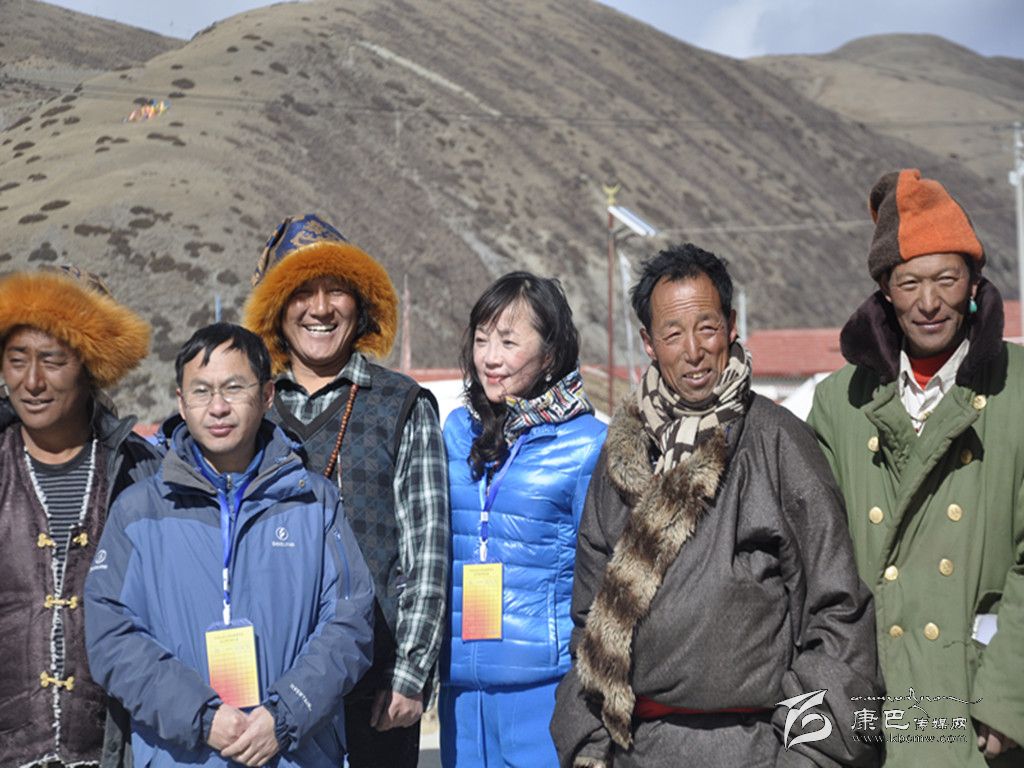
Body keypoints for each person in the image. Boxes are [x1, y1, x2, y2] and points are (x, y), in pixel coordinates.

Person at [551, 244, 883, 767]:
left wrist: (808, 757)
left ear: (731, 326)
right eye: (673, 334)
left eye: (706, 328)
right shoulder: (622, 456)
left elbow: (837, 609)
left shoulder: (778, 444)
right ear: (648, 343)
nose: (693, 351)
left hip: (757, 748)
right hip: (639, 751)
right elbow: (588, 622)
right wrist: (592, 750)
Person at [84, 323, 375, 768]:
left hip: (294, 752)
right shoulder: (138, 511)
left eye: (234, 388)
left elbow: (349, 621)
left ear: (267, 395)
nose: (217, 407)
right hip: (182, 755)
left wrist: (285, 714)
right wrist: (200, 716)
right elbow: (112, 636)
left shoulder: (314, 502)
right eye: (201, 391)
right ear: (181, 402)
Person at [807, 169, 1024, 767]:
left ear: (973, 283)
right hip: (876, 710)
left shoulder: (1018, 393)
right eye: (909, 283)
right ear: (885, 291)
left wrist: (1006, 700)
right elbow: (816, 568)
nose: (929, 303)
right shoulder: (839, 404)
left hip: (980, 708)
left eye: (946, 280)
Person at [242, 213, 448, 768]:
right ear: (276, 307)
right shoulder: (250, 407)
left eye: (337, 290)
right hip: (270, 686)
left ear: (360, 304)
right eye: (300, 291)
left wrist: (410, 671)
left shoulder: (402, 404)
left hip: (376, 687)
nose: (320, 308)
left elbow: (427, 552)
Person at [440, 272, 607, 767]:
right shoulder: (456, 431)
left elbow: (604, 574)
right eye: (481, 340)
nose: (490, 358)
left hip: (543, 686)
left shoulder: (587, 445)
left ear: (549, 354)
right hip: (461, 688)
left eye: (509, 342)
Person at [0, 265, 158, 768]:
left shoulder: (142, 473)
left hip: (115, 751)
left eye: (52, 359)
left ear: (91, 365)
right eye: (16, 359)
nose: (32, 381)